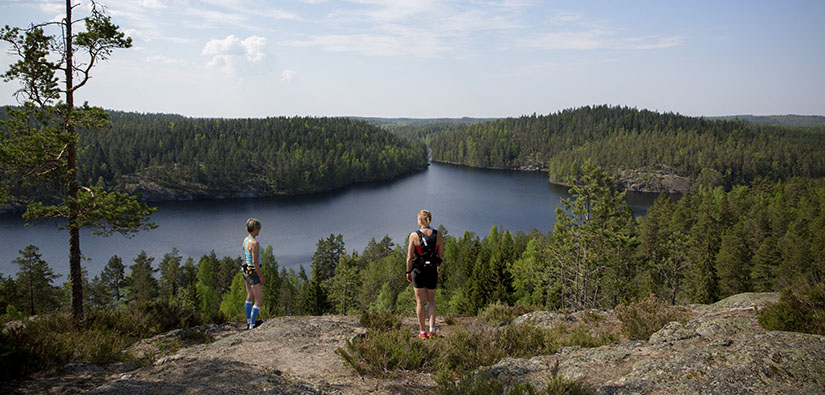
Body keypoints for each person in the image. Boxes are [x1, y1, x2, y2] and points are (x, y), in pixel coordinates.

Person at [406, 209, 444, 339]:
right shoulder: (438, 234)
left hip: (418, 271)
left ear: (421, 220)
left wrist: (408, 271)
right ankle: (432, 329)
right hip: (432, 270)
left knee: (420, 302)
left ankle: (423, 332)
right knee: (431, 301)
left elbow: (409, 257)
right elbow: (441, 255)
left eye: (418, 219)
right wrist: (438, 268)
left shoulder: (414, 235)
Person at [242, 218, 266, 329]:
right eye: (258, 229)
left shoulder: (246, 240)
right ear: (254, 229)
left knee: (250, 296)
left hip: (246, 269)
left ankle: (248, 320)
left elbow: (244, 251)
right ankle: (252, 325)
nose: (260, 231)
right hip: (253, 271)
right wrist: (261, 276)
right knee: (259, 301)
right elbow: (255, 262)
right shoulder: (255, 243)